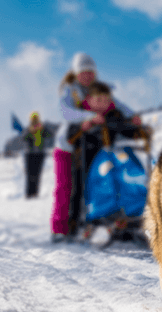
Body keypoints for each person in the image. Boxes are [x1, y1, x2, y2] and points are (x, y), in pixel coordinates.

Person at [50, 52, 141, 243]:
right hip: (67, 145)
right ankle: (60, 228)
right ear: (75, 73)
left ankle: (93, 221)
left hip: (89, 143)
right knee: (66, 187)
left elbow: (117, 105)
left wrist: (132, 116)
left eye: (90, 72)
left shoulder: (97, 90)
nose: (87, 75)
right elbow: (66, 112)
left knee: (95, 182)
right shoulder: (71, 90)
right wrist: (89, 118)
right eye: (83, 72)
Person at [22, 112, 50, 198]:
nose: (34, 121)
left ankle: (35, 193)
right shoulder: (28, 129)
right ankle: (29, 193)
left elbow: (50, 135)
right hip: (29, 154)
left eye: (36, 119)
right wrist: (31, 132)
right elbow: (24, 138)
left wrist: (43, 129)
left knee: (37, 174)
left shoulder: (42, 128)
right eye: (33, 119)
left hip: (40, 153)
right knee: (30, 174)